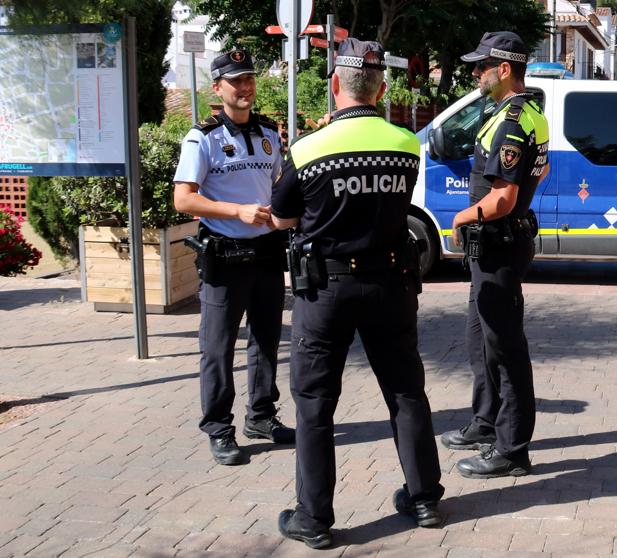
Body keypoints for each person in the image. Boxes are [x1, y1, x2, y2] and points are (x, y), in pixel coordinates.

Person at [270, 38, 444, 550]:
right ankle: (425, 498)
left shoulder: (306, 149)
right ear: (381, 88)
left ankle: (314, 519)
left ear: (334, 86)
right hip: (391, 282)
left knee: (315, 403)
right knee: (406, 391)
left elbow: (283, 217)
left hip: (326, 289)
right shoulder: (405, 142)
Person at [173, 49, 295, 466]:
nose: (245, 87)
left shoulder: (267, 131)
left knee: (266, 339)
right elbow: (183, 198)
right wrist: (236, 211)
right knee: (218, 346)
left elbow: (278, 182)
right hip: (225, 254)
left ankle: (261, 416)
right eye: (236, 81)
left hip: (265, 251)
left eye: (249, 79)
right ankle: (219, 427)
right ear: (217, 88)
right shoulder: (201, 137)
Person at [440, 32, 549, 479]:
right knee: (479, 337)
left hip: (500, 242)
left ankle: (512, 448)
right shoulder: (520, 112)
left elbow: (502, 199)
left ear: (504, 69)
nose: (474, 73)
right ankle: (486, 422)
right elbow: (538, 171)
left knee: (505, 348)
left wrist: (461, 218)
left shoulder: (512, 120)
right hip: (496, 244)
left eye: (481, 67)